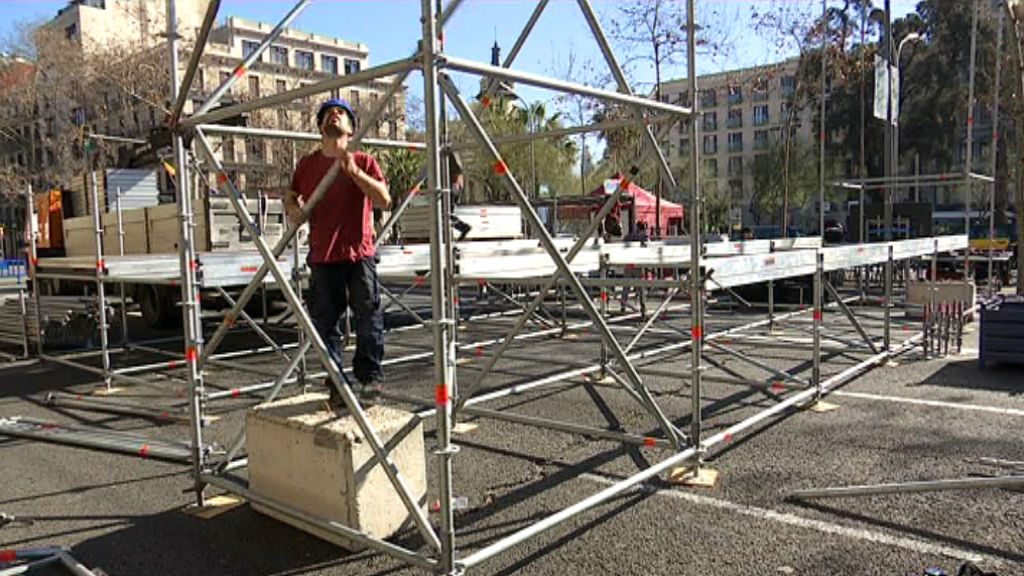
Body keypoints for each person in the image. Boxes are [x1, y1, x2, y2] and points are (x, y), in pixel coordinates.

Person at [284, 98, 391, 403]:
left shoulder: (365, 162)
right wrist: (293, 207)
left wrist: (353, 171)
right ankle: (337, 384)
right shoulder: (307, 165)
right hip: (323, 256)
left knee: (368, 318)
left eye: (341, 112)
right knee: (325, 326)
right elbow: (291, 195)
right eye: (329, 113)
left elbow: (384, 200)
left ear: (350, 128)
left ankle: (370, 378)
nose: (335, 114)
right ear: (320, 127)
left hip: (359, 255)